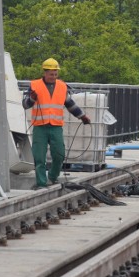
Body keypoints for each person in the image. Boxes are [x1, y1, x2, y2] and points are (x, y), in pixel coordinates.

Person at [22, 58, 91, 188]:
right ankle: (41, 183)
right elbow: (25, 105)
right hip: (40, 127)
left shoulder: (62, 86)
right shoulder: (34, 85)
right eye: (51, 74)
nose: (53, 77)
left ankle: (52, 177)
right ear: (45, 73)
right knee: (39, 157)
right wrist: (32, 98)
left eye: (55, 74)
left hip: (56, 126)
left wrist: (82, 116)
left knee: (59, 154)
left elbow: (70, 104)